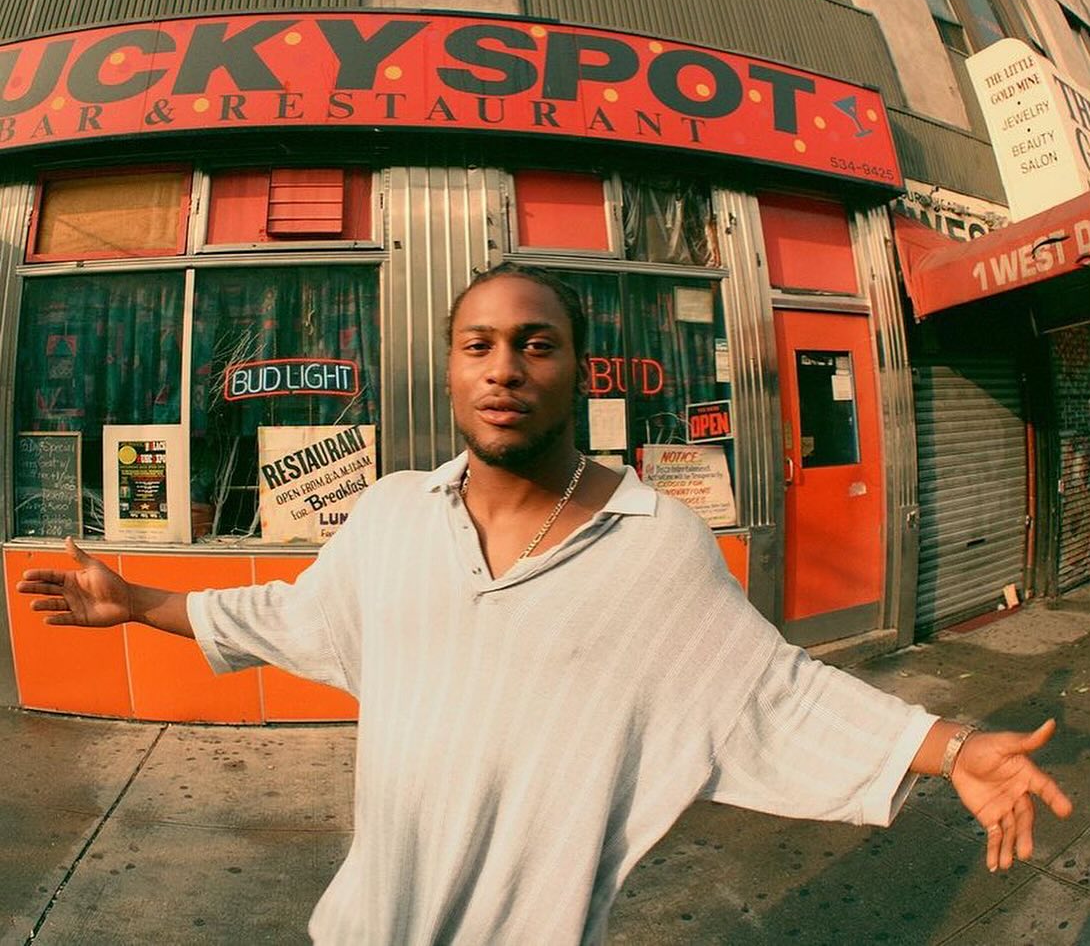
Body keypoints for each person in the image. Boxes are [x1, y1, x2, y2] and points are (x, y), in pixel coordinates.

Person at [18, 263, 1073, 945]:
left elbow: (771, 695)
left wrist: (948, 747)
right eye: (478, 344)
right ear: (449, 371)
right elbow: (290, 617)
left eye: (536, 343)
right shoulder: (391, 515)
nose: (505, 369)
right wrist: (137, 596)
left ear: (576, 370)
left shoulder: (654, 542)